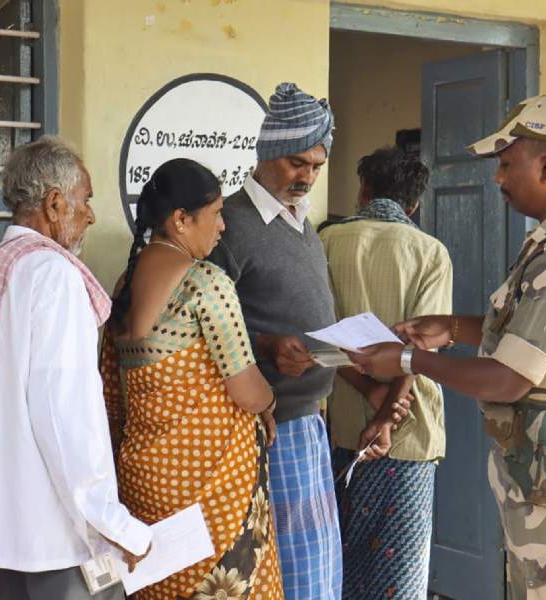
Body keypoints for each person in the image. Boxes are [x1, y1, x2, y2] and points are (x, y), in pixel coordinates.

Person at [347, 96, 546, 599]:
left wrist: (405, 359)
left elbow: (509, 377)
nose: (498, 179)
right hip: (541, 468)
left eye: (507, 165)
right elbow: (532, 333)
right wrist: (452, 328)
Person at [0, 136, 151, 600]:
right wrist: (112, 522)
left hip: (10, 532)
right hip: (61, 536)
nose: (92, 215)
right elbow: (66, 418)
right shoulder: (52, 276)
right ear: (55, 204)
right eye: (87, 200)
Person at [102, 158, 282, 599]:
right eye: (217, 213)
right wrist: (270, 403)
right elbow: (246, 389)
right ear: (181, 220)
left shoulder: (124, 283)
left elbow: (111, 390)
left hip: (144, 482)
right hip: (211, 491)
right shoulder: (205, 283)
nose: (223, 226)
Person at [207, 82, 343, 599]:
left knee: (317, 563)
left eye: (315, 166)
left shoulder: (305, 226)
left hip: (310, 419)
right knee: (286, 569)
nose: (306, 177)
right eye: (295, 163)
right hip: (265, 426)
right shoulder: (229, 223)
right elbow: (211, 321)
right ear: (265, 155)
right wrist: (265, 345)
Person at [319, 146, 452, 599]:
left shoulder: (327, 242)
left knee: (344, 562)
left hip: (345, 432)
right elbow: (423, 343)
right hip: (409, 432)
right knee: (400, 573)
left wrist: (373, 400)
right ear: (413, 203)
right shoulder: (430, 252)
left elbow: (326, 336)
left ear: (364, 190)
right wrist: (391, 412)